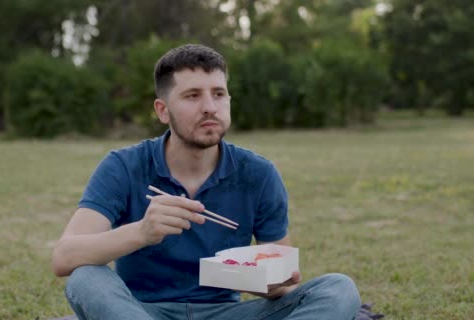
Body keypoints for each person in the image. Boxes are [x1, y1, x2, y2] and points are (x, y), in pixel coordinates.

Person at [51, 44, 361, 320]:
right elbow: (64, 257)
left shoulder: (258, 173)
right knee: (85, 279)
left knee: (338, 290)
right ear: (163, 110)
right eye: (192, 95)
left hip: (226, 312)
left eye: (218, 93)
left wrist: (271, 281)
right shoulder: (123, 165)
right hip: (139, 310)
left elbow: (282, 283)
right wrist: (142, 232)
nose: (210, 106)